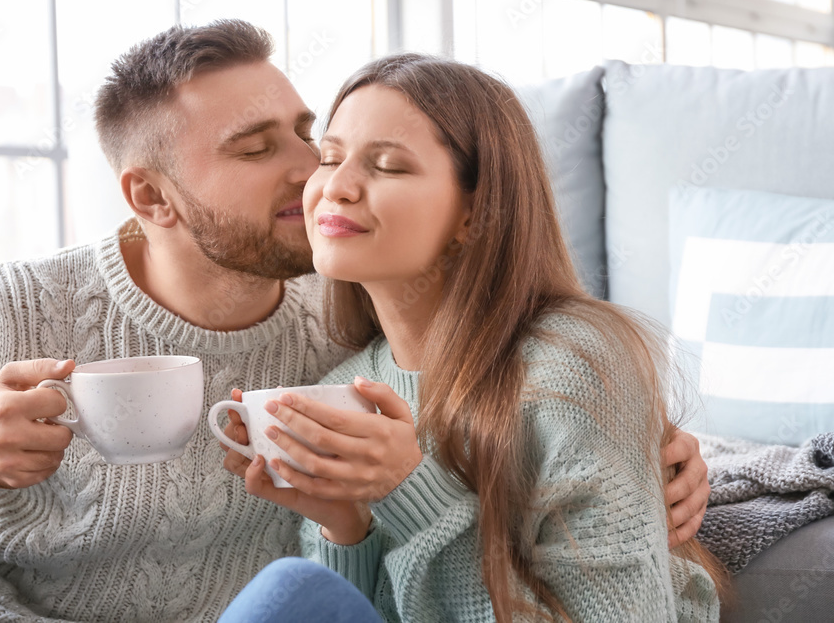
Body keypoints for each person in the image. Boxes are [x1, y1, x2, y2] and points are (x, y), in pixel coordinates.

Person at [0, 21, 708, 622]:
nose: (310, 174)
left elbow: (524, 402)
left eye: (307, 136)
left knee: (297, 589)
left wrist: (666, 460)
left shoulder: (340, 343)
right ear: (150, 196)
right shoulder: (18, 305)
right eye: (259, 150)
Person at [220, 53, 726, 622]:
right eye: (330, 158)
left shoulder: (574, 364)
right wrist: (344, 526)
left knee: (289, 590)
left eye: (387, 165)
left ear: (473, 213)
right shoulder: (344, 387)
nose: (335, 186)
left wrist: (410, 490)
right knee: (299, 590)